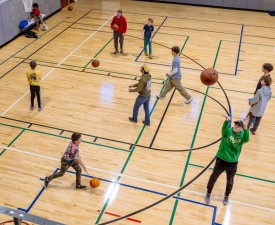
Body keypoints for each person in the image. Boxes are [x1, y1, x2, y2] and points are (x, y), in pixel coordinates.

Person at [205, 115, 250, 205]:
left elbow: (247, 139)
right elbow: (224, 130)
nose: (236, 126)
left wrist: (245, 127)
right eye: (235, 124)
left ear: (241, 129)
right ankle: (208, 193)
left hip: (232, 162)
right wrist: (226, 122)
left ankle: (226, 196)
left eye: (238, 126)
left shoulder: (242, 136)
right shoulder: (228, 132)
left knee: (230, 180)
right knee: (213, 177)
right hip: (221, 159)